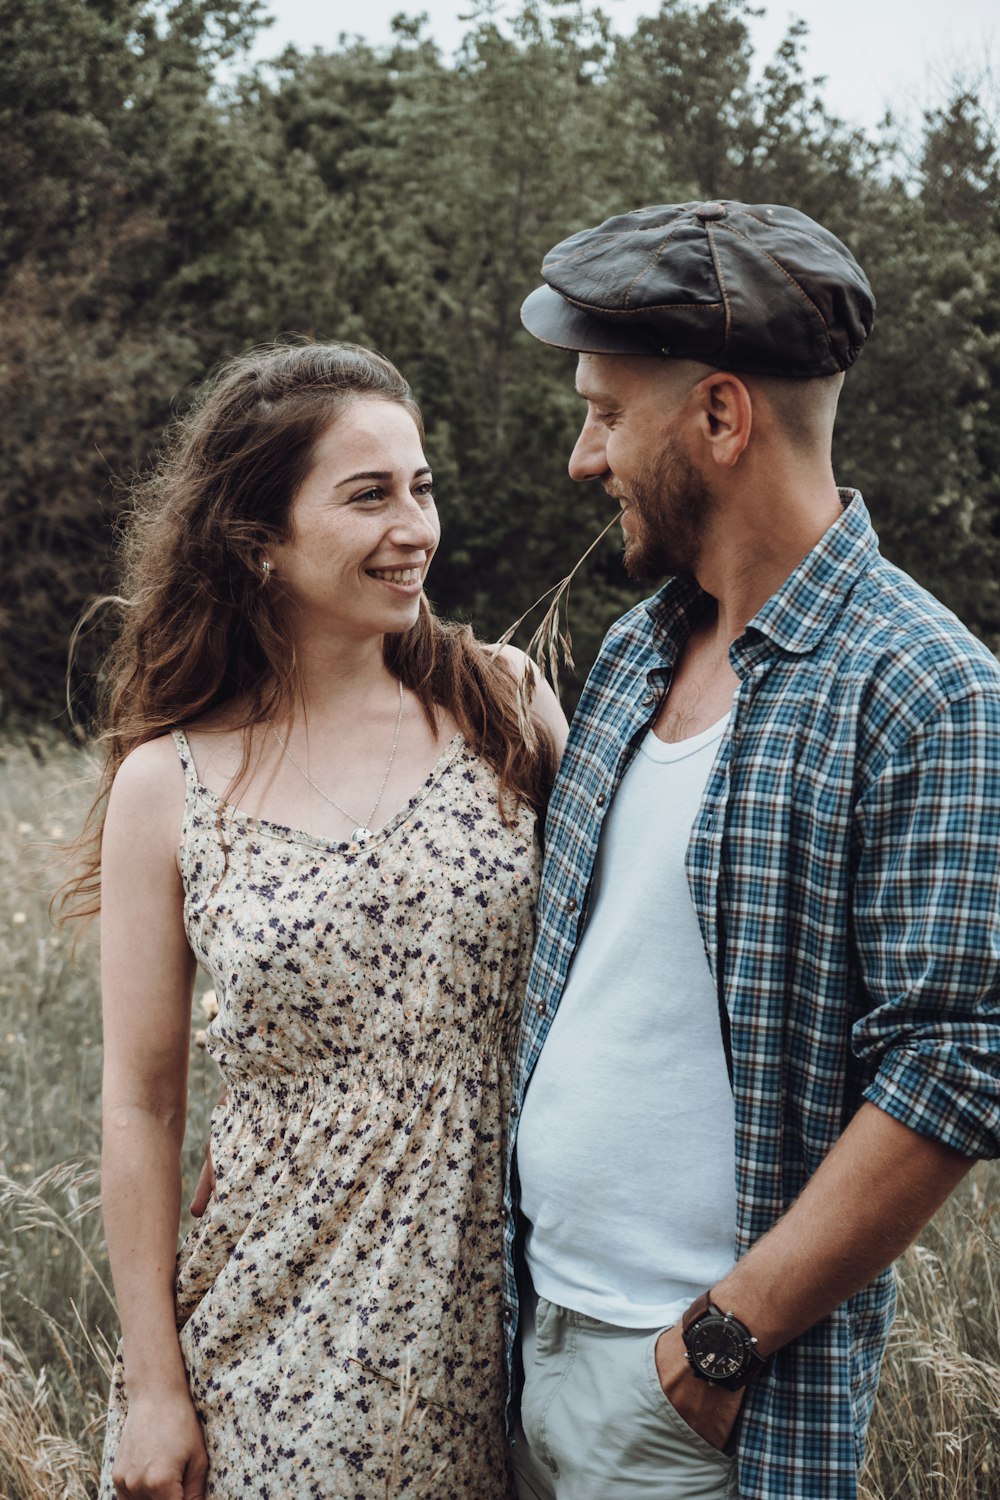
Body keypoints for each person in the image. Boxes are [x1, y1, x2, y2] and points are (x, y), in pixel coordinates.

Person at [502, 200, 1000, 1500]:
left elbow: (953, 1064)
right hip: (523, 1337)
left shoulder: (929, 687)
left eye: (607, 412)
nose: (581, 455)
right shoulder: (630, 656)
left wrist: (718, 1345)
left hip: (702, 1400)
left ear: (722, 418)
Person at [68, 341, 567, 1499]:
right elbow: (142, 1105)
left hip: (512, 1311)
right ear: (259, 539)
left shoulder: (504, 703)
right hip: (274, 1332)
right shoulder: (170, 784)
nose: (414, 527)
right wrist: (154, 1388)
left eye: (421, 487)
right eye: (367, 495)